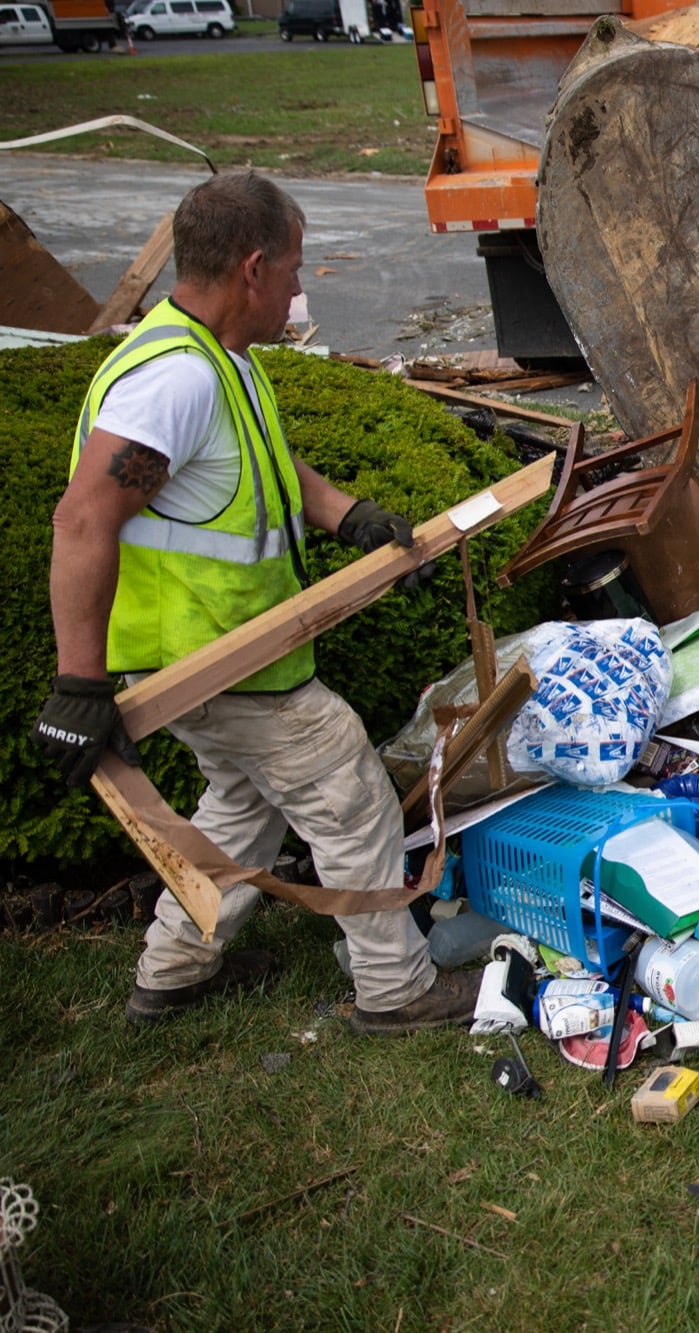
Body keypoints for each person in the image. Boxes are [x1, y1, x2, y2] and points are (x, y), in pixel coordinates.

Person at [36, 171, 478, 1035]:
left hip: (231, 652)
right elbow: (84, 516)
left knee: (241, 808)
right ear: (251, 268)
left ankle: (171, 971)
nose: (298, 289)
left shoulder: (219, 361)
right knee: (347, 790)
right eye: (294, 270)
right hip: (214, 658)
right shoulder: (175, 382)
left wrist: (354, 519)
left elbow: (276, 474)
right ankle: (395, 989)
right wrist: (77, 684)